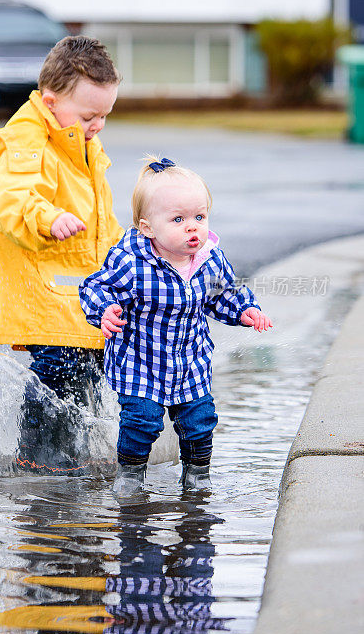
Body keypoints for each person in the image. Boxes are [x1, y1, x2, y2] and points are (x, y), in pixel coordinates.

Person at [0, 36, 123, 472]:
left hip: (78, 299)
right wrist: (46, 217)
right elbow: (10, 198)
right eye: (90, 115)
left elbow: (102, 225)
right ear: (51, 101)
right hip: (44, 294)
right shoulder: (27, 141)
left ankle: (76, 451)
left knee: (88, 373)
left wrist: (132, 253)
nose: (98, 125)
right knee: (57, 371)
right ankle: (37, 457)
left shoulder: (82, 147)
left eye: (105, 116)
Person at [79, 156, 272, 495]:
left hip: (189, 362)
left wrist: (245, 311)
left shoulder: (210, 258)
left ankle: (197, 475)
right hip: (140, 362)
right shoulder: (130, 261)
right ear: (148, 227)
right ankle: (130, 475)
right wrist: (106, 309)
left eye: (199, 216)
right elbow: (95, 287)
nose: (193, 227)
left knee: (199, 421)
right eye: (178, 219)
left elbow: (222, 294)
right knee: (142, 421)